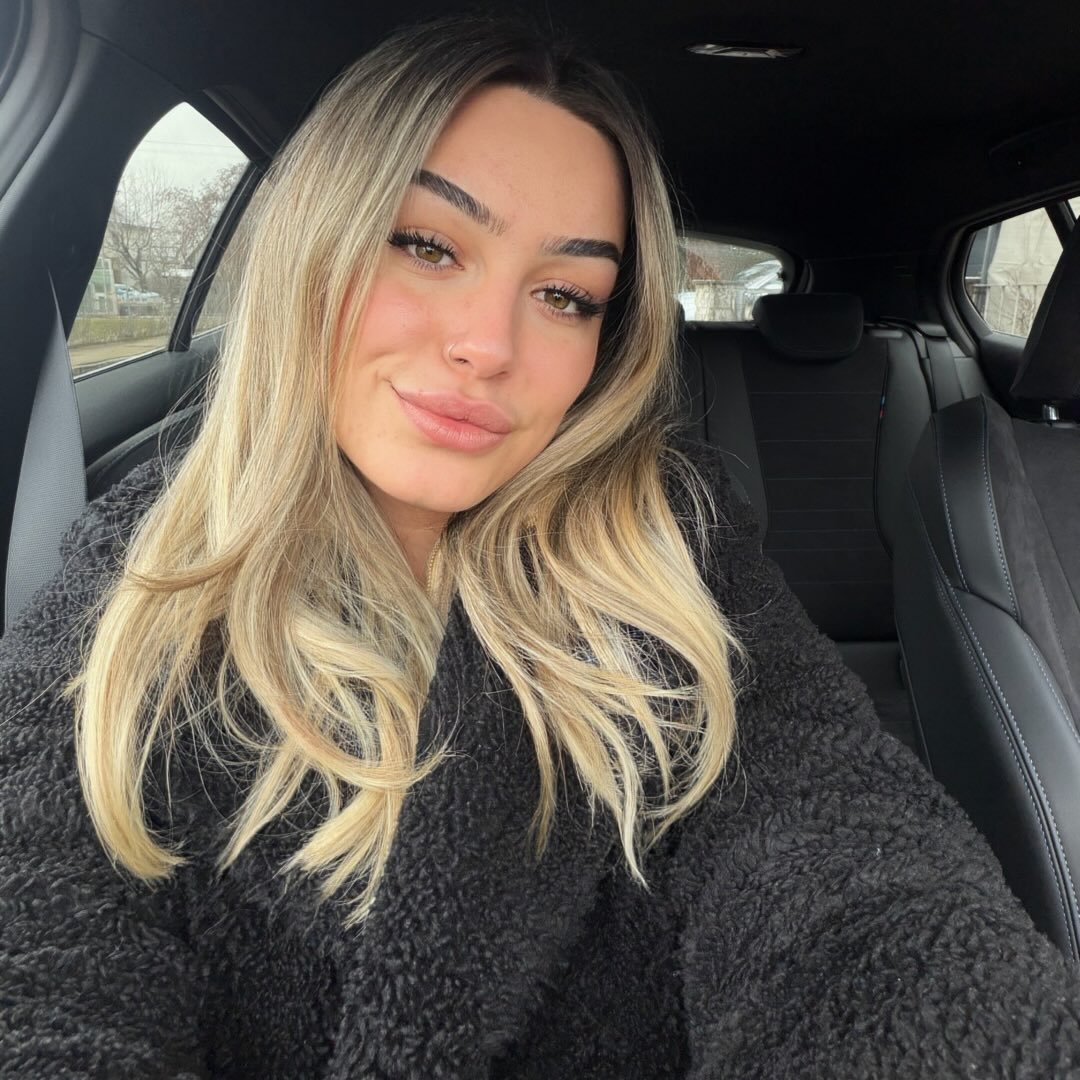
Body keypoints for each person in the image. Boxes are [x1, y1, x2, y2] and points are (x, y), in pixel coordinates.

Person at [2, 14, 1080, 1079]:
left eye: (566, 296)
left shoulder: (674, 556)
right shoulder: (133, 586)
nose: (489, 345)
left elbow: (846, 867)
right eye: (427, 245)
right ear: (312, 247)